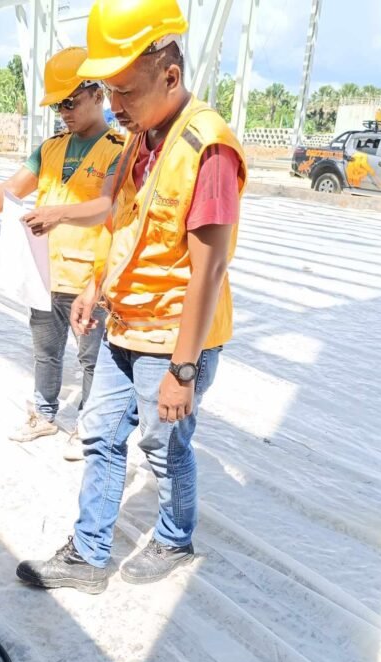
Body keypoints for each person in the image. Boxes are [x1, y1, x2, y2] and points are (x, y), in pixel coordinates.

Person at [16, 0, 247, 592]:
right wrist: (96, 285)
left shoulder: (208, 150)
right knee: (100, 435)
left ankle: (174, 539)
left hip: (175, 337)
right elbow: (120, 218)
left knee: (163, 444)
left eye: (127, 91)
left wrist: (184, 369)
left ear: (170, 76)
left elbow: (209, 270)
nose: (115, 105)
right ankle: (89, 557)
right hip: (125, 325)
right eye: (109, 91)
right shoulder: (138, 139)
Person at [0, 47, 125, 460]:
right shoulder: (51, 149)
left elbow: (108, 207)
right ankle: (45, 413)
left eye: (71, 102)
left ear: (97, 93)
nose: (64, 112)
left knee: (91, 359)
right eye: (58, 105)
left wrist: (60, 215)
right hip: (44, 274)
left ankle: (88, 424)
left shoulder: (118, 149)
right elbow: (12, 189)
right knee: (46, 352)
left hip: (89, 278)